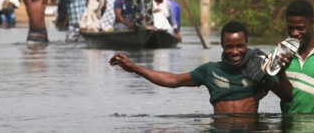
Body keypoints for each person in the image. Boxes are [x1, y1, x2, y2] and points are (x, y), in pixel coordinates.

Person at [109, 21, 293, 115]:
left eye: (240, 46)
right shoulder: (210, 71)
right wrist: (134, 68)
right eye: (229, 46)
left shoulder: (260, 67)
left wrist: (281, 71)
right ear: (221, 45)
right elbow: (173, 80)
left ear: (247, 44)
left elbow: (287, 96)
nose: (235, 51)